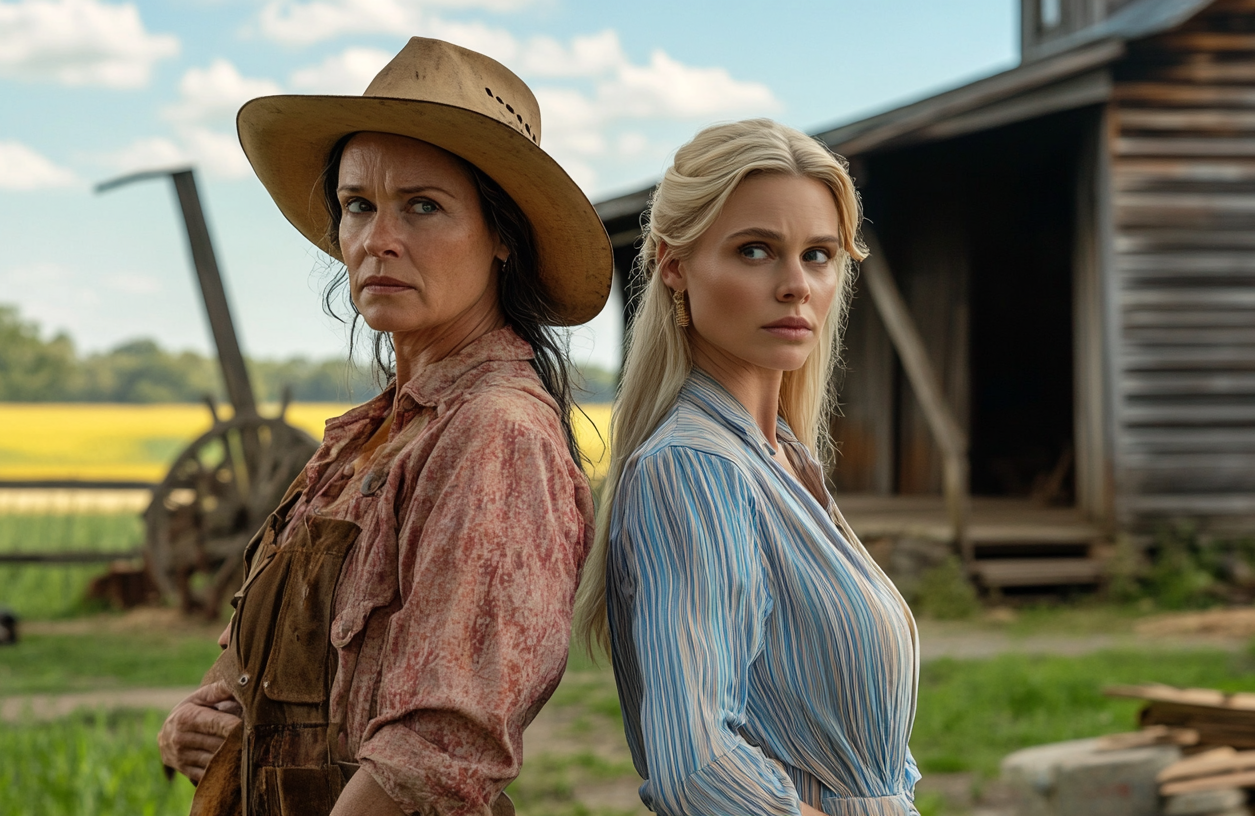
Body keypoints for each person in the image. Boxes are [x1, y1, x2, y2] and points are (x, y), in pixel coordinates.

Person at [157, 37, 613, 816]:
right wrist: (202, 720)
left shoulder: (494, 436)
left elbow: (437, 752)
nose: (378, 239)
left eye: (423, 206)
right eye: (358, 205)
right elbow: (269, 669)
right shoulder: (364, 436)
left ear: (502, 235)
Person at [573, 119, 921, 816]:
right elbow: (698, 766)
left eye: (818, 255)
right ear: (674, 266)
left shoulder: (781, 460)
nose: (796, 285)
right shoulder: (695, 469)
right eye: (756, 250)